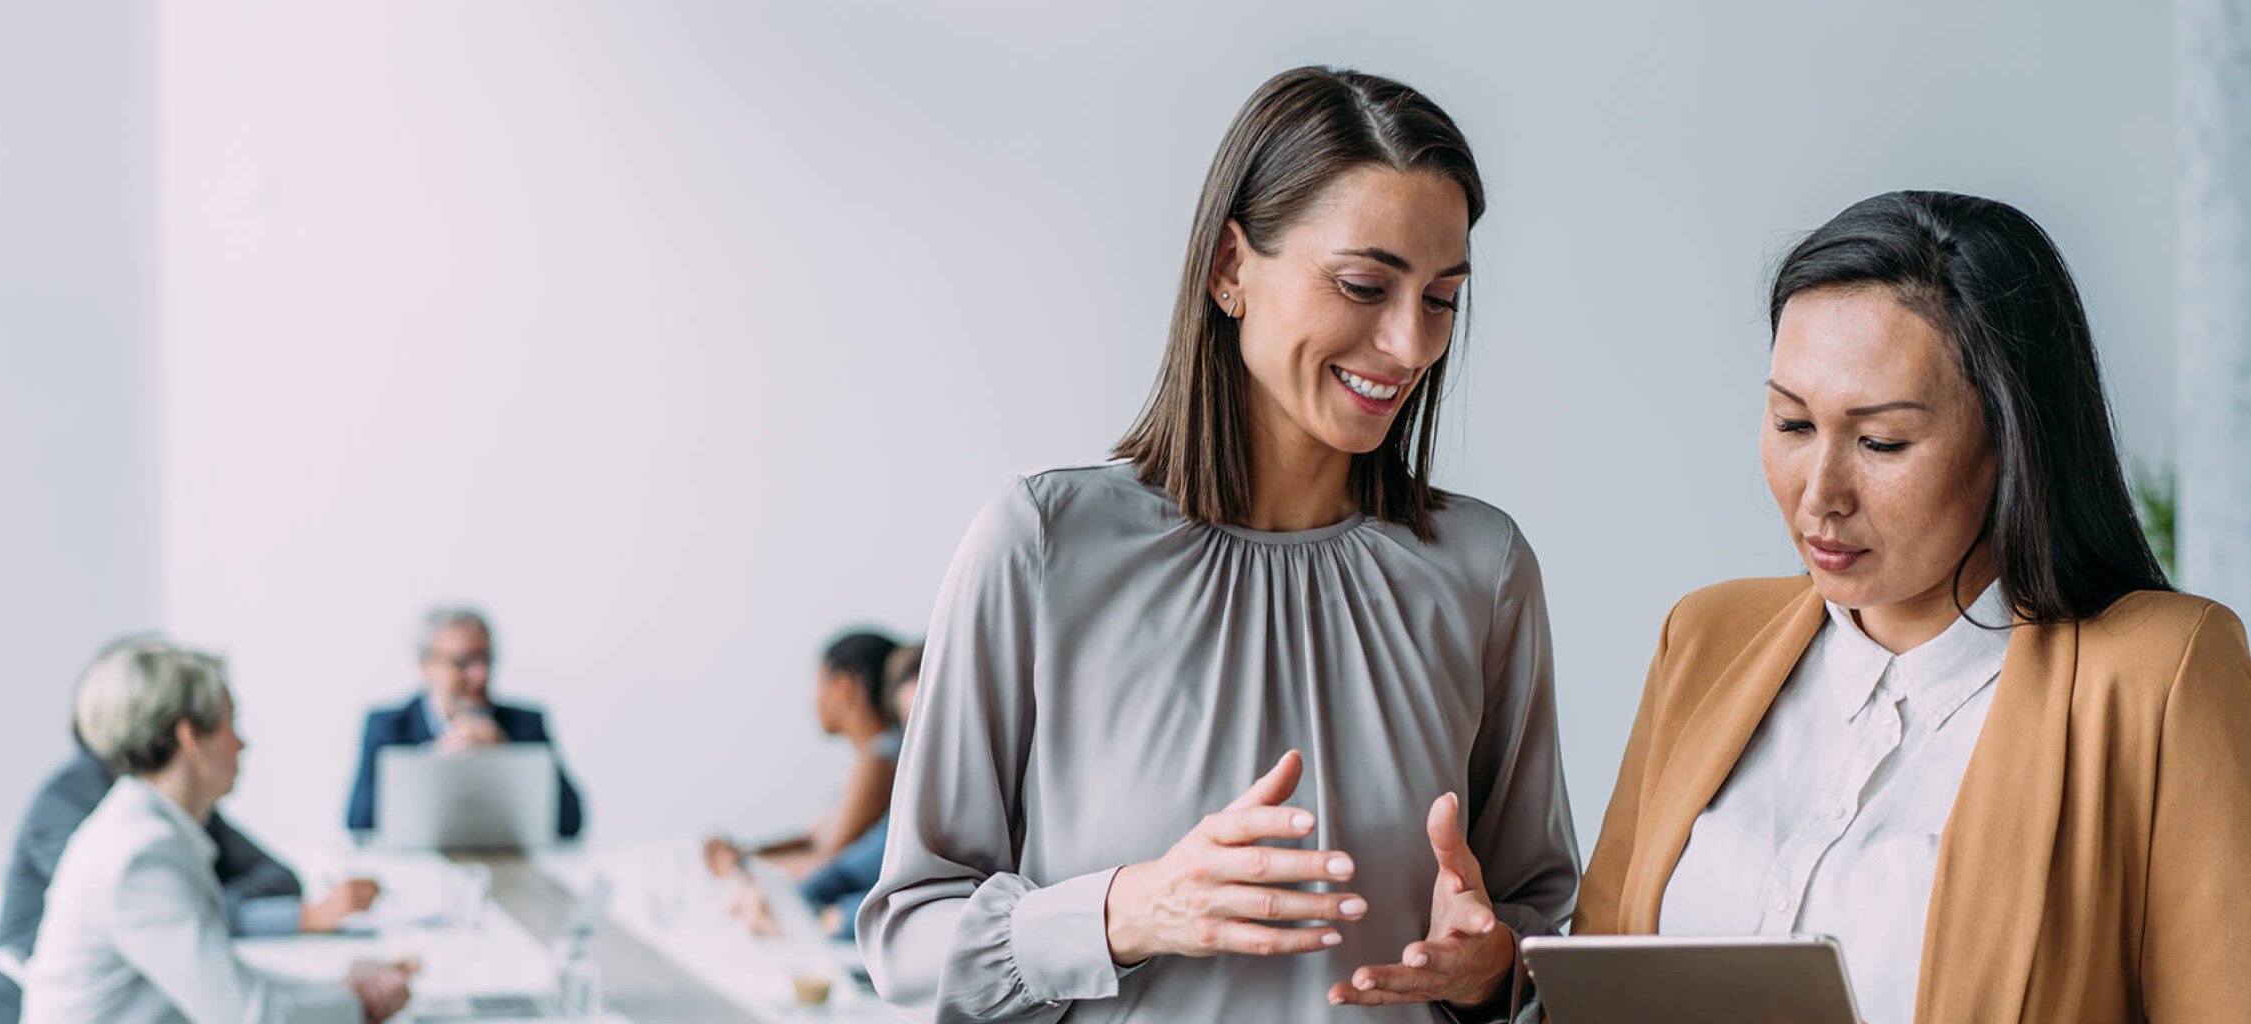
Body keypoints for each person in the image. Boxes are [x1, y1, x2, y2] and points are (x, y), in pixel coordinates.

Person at [859, 66, 1577, 1022]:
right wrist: (1125, 911)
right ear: (1230, 267)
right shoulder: (1041, 548)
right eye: (1365, 285)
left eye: (1442, 298)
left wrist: (1493, 972)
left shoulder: (1481, 572)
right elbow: (909, 938)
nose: (1411, 345)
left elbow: (1541, 929)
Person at [1574, 191, 2251, 1023]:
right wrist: (1486, 971)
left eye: (1880, 443)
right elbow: (1589, 976)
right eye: (1792, 423)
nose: (1820, 496)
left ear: (2011, 439)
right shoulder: (1706, 638)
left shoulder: (2162, 673)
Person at [0, 637, 385, 1024]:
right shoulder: (138, 855)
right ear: (191, 737)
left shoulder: (152, 821)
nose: (243, 744)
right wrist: (358, 1003)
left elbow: (229, 981)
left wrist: (339, 990)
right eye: (230, 724)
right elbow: (249, 1015)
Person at [707, 633, 920, 937]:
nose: (815, 699)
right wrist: (744, 854)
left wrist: (742, 865)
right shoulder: (869, 759)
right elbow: (814, 838)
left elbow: (831, 859)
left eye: (819, 685)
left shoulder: (880, 762)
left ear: (843, 688)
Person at [344, 606, 586, 839]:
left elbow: (571, 822)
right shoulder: (389, 727)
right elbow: (359, 823)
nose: (479, 675)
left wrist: (507, 756)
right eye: (463, 662)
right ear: (426, 666)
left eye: (485, 659)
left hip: (507, 867)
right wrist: (434, 761)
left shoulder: (525, 725)